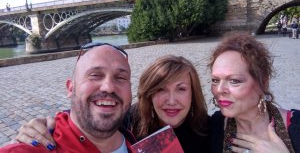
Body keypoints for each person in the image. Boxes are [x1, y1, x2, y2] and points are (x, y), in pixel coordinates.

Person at [12, 55, 211, 152]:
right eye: (160, 89)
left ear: (194, 94)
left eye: (181, 89)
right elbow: (90, 115)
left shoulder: (210, 130)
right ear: (148, 94)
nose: (171, 100)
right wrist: (45, 124)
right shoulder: (130, 119)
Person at [0, 42, 136, 152]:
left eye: (120, 77)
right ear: (70, 88)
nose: (108, 87)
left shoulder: (136, 139)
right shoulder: (35, 147)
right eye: (95, 75)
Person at [209, 33, 299, 153]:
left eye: (234, 81)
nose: (219, 89)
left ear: (263, 83)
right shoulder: (214, 127)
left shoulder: (296, 126)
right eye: (215, 80)